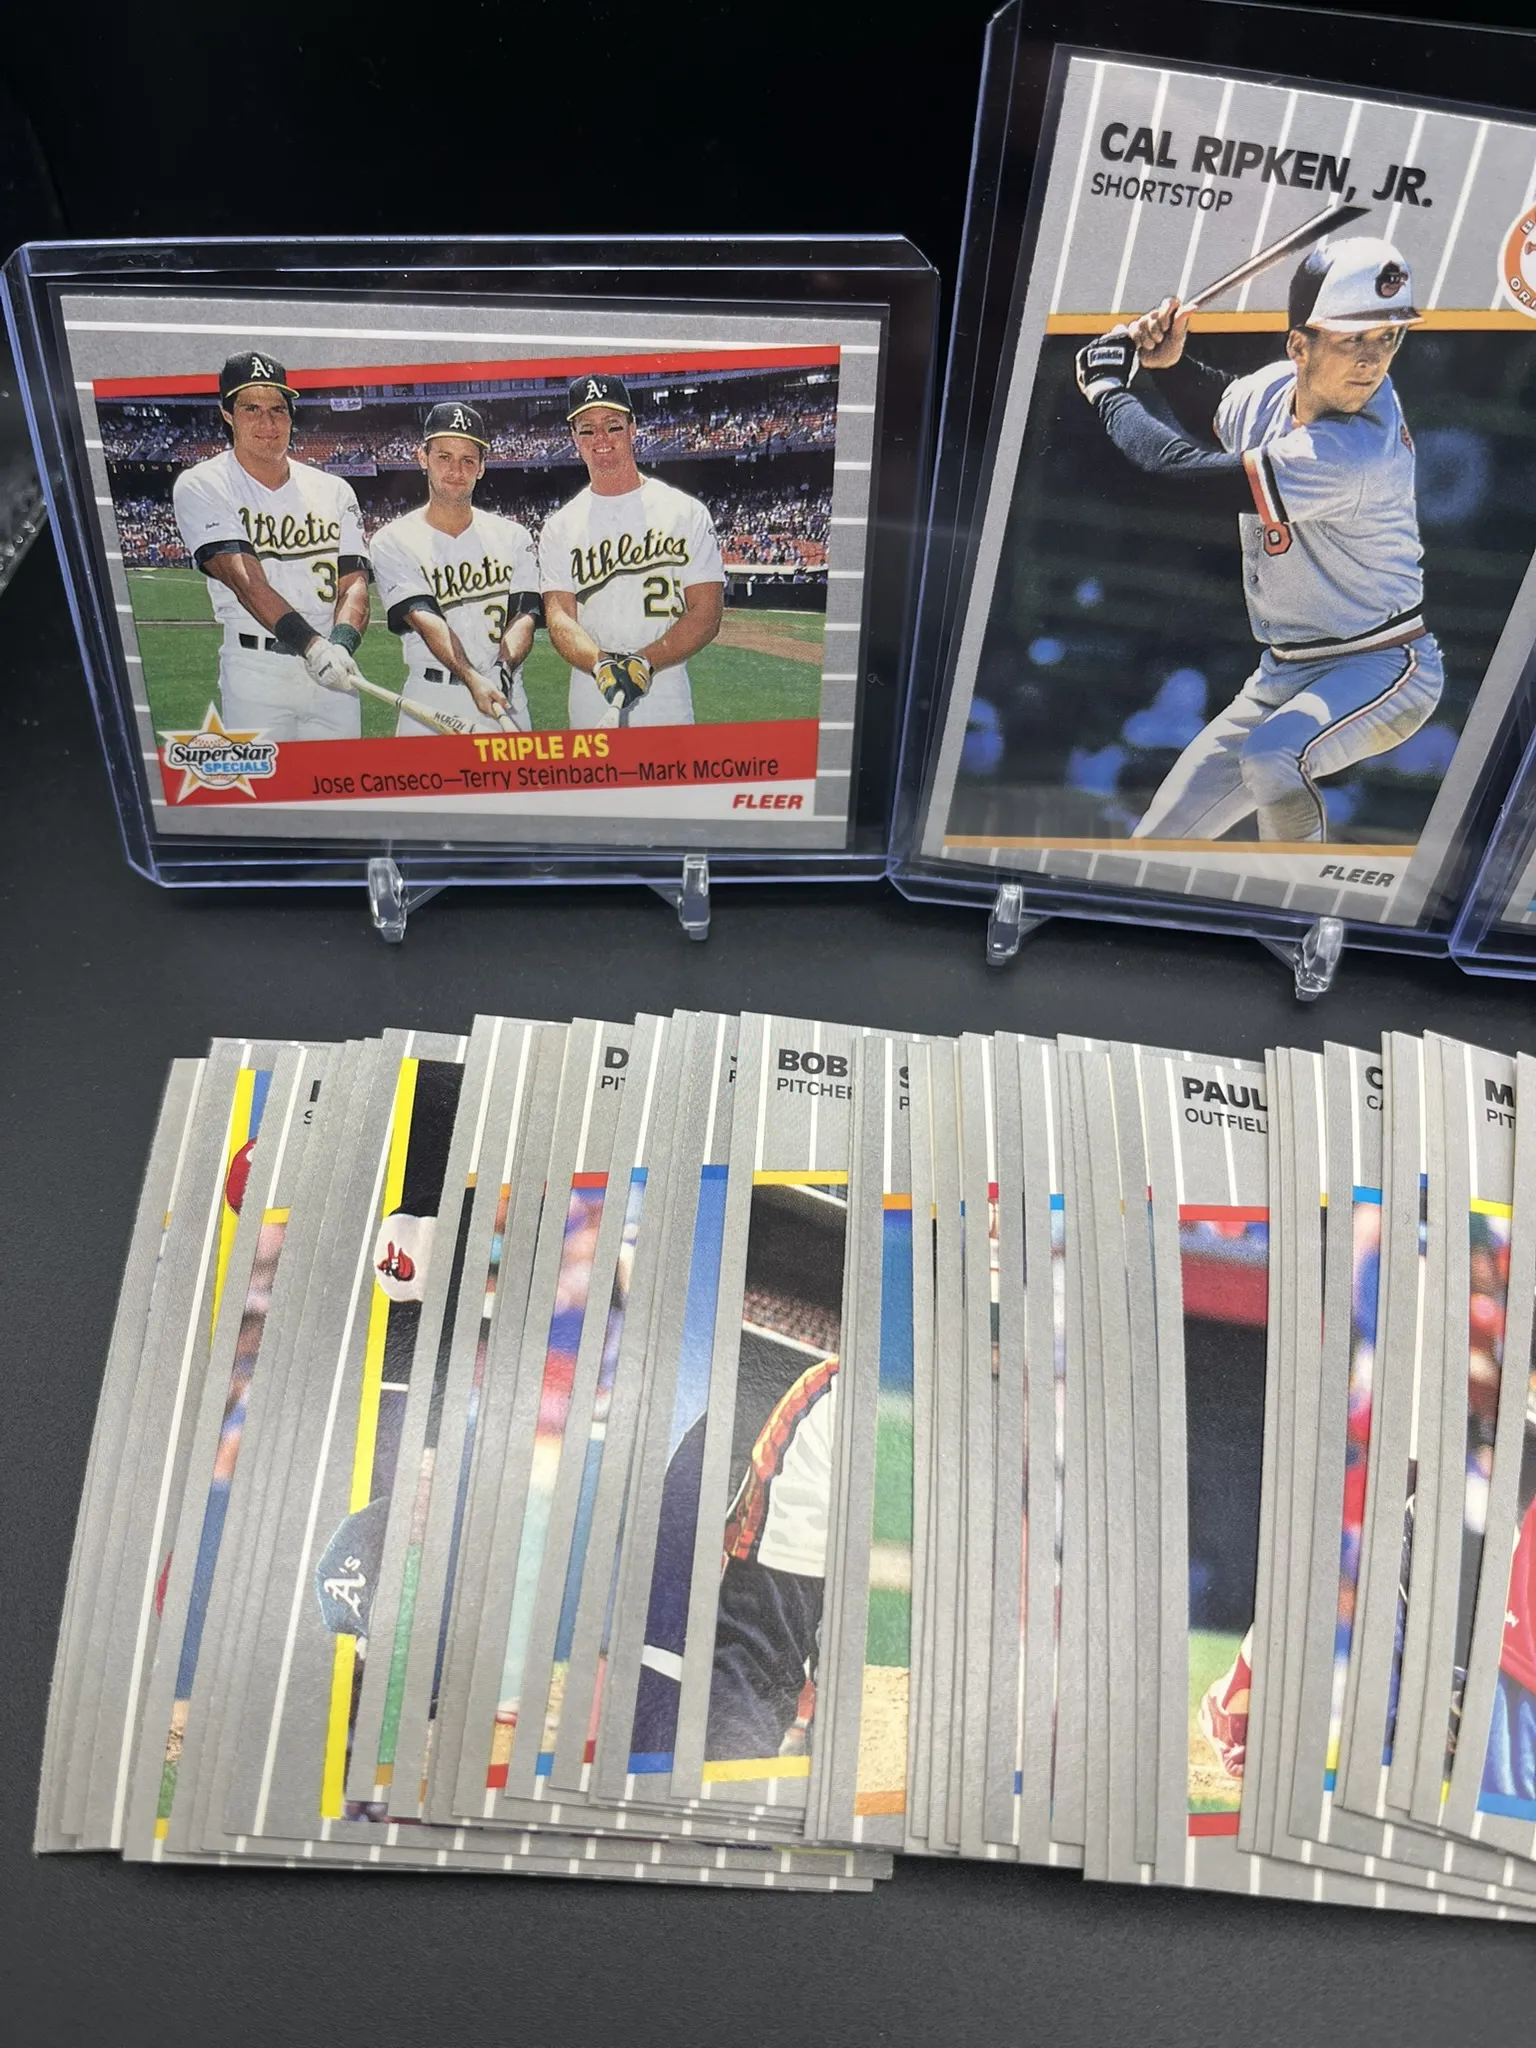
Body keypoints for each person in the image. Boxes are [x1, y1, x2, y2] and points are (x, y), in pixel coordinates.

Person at [1074, 236, 1443, 844]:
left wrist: (1110, 391)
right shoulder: (1278, 389)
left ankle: (1297, 894)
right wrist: (1169, 364)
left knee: (1274, 756)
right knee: (1155, 845)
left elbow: (1180, 474)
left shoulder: (1355, 451)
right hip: (1284, 672)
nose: (1372, 359)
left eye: (1388, 337)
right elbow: (1219, 407)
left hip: (1379, 665)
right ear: (1298, 346)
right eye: (1353, 337)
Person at [171, 351, 369, 739]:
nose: (268, 423)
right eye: (251, 409)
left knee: (342, 779)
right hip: (257, 672)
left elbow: (354, 585)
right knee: (270, 781)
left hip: (334, 669)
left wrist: (342, 645)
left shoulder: (334, 489)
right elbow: (246, 581)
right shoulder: (203, 483)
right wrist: (313, 647)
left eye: (278, 409)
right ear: (227, 415)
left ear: (291, 415)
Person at [538, 373, 724, 728]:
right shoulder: (560, 526)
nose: (601, 438)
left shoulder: (684, 512)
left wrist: (647, 660)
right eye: (587, 429)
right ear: (575, 439)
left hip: (664, 683)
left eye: (613, 426)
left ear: (633, 429)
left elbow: (707, 611)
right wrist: (600, 664)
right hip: (593, 686)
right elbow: (559, 618)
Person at [367, 402, 542, 736]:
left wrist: (502, 669)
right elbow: (424, 618)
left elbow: (525, 616)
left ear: (481, 467)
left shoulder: (513, 536)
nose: (456, 471)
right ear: (423, 457)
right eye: (444, 457)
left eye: (468, 460)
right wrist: (472, 677)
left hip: (505, 691)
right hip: (432, 699)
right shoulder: (393, 540)